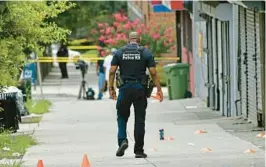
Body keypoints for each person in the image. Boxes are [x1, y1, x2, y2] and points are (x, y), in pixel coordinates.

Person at [108, 32, 163, 158]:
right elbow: (153, 72)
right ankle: (138, 150)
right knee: (139, 119)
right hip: (140, 89)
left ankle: (122, 141)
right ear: (139, 40)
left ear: (129, 40)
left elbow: (112, 71)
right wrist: (158, 89)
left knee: (121, 116)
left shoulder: (120, 52)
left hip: (125, 88)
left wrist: (111, 88)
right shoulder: (145, 52)